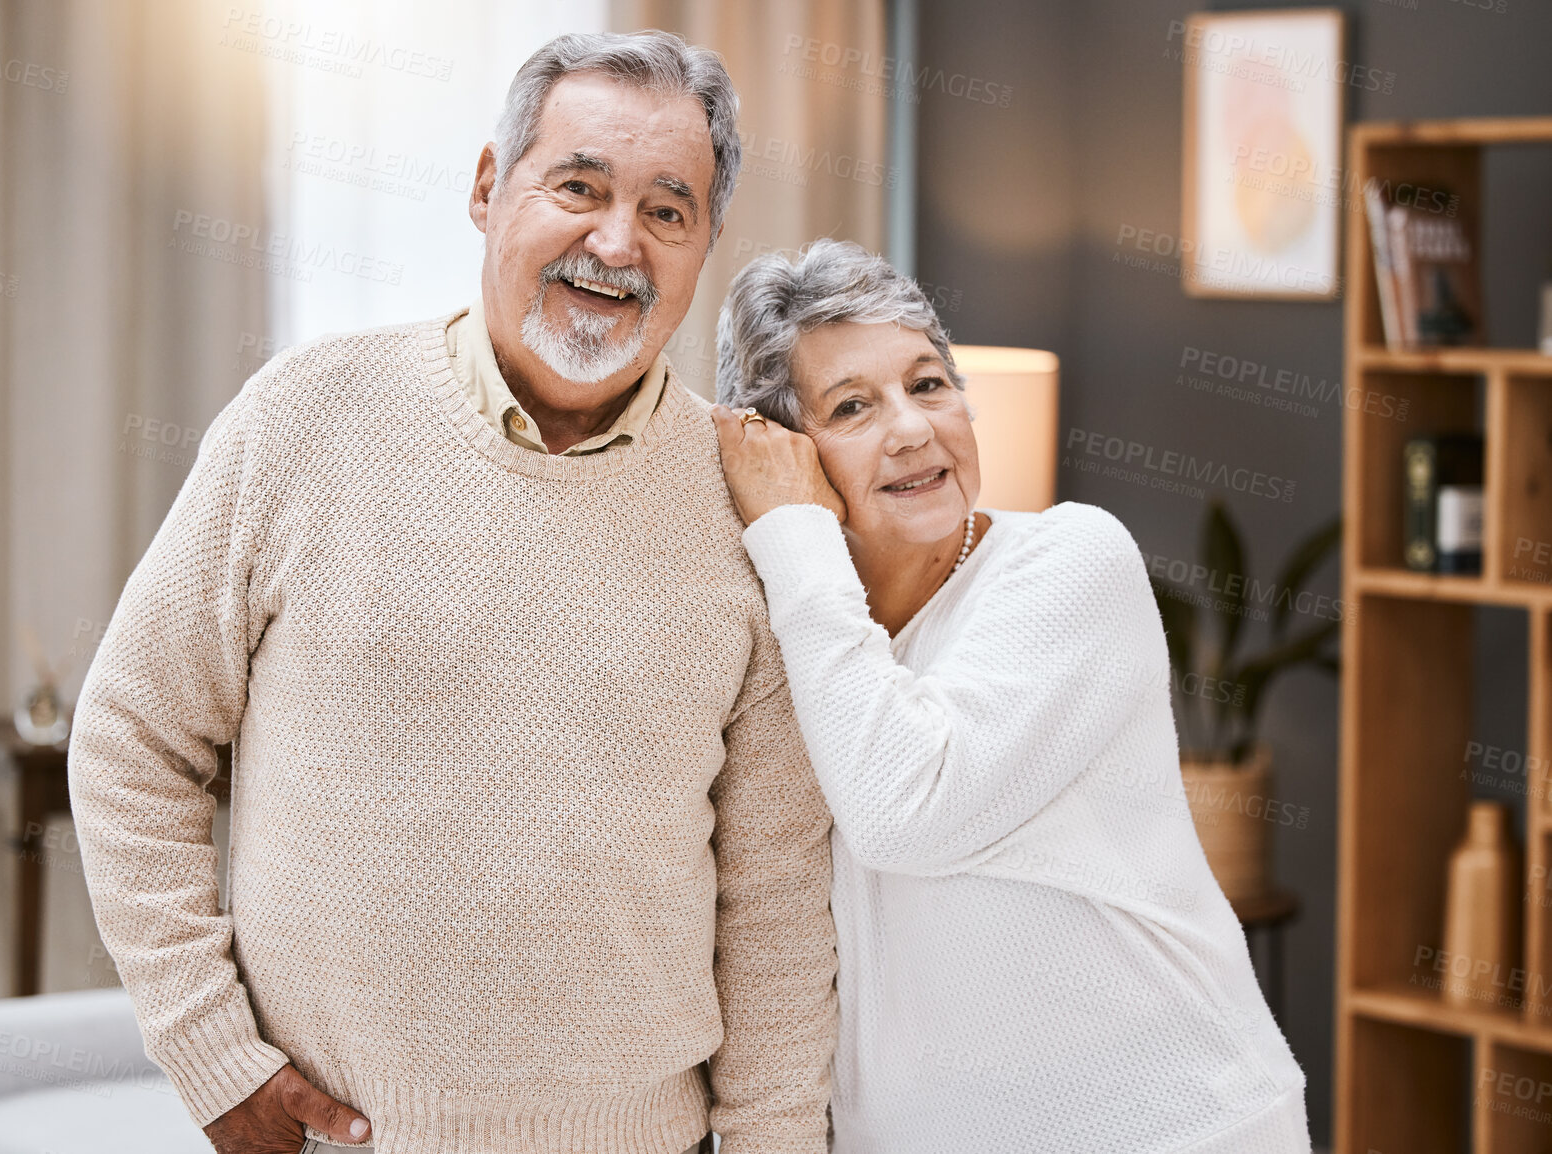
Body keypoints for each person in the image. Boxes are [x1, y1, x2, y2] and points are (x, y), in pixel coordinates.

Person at [70, 32, 838, 1154]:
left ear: (707, 240)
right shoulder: (302, 417)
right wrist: (212, 1051)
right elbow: (132, 735)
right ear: (489, 188)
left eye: (668, 210)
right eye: (577, 186)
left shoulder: (750, 501)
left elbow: (774, 899)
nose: (615, 241)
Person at [710, 239, 1312, 1153]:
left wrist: (793, 531)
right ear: (783, 453)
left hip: (1174, 1126)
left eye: (928, 383)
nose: (912, 428)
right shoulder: (796, 639)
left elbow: (904, 807)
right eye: (852, 407)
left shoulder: (1070, 564)